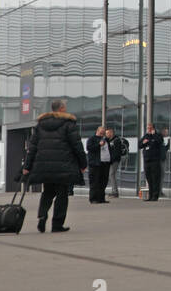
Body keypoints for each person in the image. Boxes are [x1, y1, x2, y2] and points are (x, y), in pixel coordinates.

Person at [22, 99, 88, 233]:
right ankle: (57, 224)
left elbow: (32, 147)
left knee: (47, 192)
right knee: (62, 195)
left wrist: (27, 166)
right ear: (62, 109)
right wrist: (83, 164)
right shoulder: (68, 124)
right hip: (64, 165)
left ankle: (42, 216)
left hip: (44, 166)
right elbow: (77, 146)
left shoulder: (40, 125)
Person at [86, 125, 113, 203]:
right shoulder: (92, 139)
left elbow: (109, 150)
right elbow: (89, 148)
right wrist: (99, 145)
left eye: (103, 133)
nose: (102, 134)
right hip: (95, 164)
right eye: (101, 132)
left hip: (105, 163)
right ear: (97, 131)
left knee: (103, 181)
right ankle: (93, 198)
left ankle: (101, 198)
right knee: (95, 181)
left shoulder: (105, 140)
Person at [139, 123, 164, 201]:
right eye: (147, 128)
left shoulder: (158, 135)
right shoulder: (146, 136)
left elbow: (160, 142)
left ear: (153, 128)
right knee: (149, 179)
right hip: (147, 160)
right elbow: (139, 145)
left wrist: (154, 135)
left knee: (155, 178)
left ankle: (155, 196)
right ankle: (150, 196)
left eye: (150, 128)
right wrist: (143, 143)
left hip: (155, 160)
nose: (148, 129)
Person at [105, 126, 127, 199]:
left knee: (112, 174)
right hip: (110, 160)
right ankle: (113, 190)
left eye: (107, 133)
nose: (106, 135)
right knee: (111, 175)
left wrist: (111, 159)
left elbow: (117, 152)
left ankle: (115, 192)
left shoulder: (116, 140)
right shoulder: (108, 140)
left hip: (114, 160)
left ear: (111, 132)